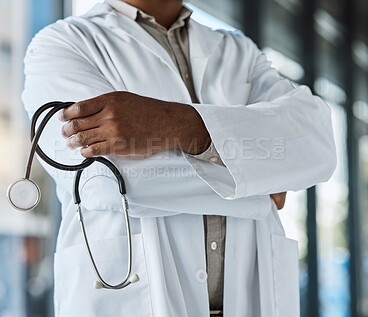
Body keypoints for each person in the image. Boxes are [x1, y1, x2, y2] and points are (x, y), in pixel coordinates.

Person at [22, 0, 336, 316]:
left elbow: (317, 141)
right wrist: (259, 179)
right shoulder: (62, 45)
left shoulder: (237, 50)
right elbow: (105, 181)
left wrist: (178, 124)